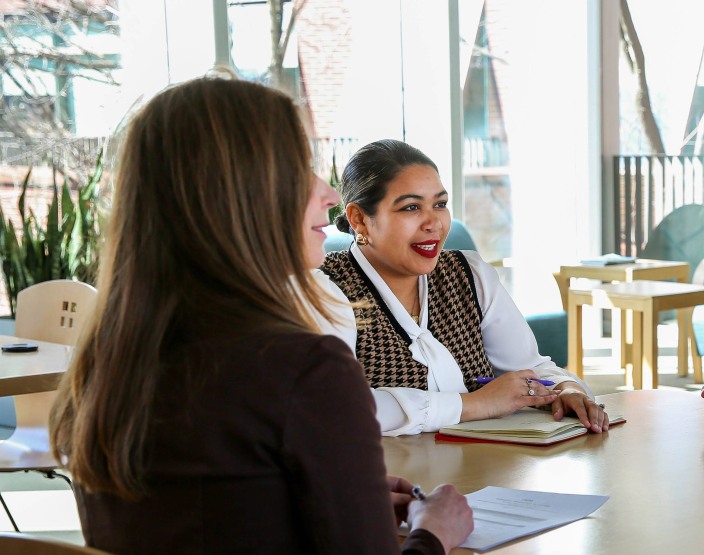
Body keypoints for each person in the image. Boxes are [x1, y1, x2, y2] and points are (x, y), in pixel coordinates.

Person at [48, 76, 474, 554]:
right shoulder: (305, 370)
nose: (329, 194)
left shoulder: (103, 364)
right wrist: (434, 532)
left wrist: (340, 496)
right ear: (240, 197)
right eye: (299, 169)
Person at [318, 139, 609, 437]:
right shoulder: (325, 288)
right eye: (411, 207)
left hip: (481, 462)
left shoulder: (469, 274)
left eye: (440, 204)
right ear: (359, 219)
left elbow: (529, 367)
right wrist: (477, 403)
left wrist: (566, 388)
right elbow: (337, 407)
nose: (434, 223)